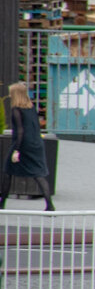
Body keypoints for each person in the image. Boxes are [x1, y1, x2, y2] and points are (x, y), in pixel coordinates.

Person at [0, 82, 53, 211]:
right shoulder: (31, 107)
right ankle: (49, 205)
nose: (9, 95)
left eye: (11, 92)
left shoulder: (16, 110)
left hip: (23, 144)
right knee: (38, 174)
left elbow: (20, 131)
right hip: (36, 143)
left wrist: (16, 150)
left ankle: (2, 203)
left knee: (8, 171)